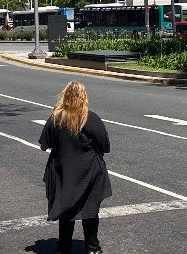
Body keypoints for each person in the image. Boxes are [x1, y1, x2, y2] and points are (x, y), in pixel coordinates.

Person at [39, 81, 111, 254]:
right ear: (84, 97)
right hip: (89, 171)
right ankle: (93, 248)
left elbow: (44, 144)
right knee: (91, 210)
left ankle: (63, 248)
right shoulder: (91, 118)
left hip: (64, 172)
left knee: (66, 210)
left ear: (65, 96)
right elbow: (106, 146)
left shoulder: (56, 118)